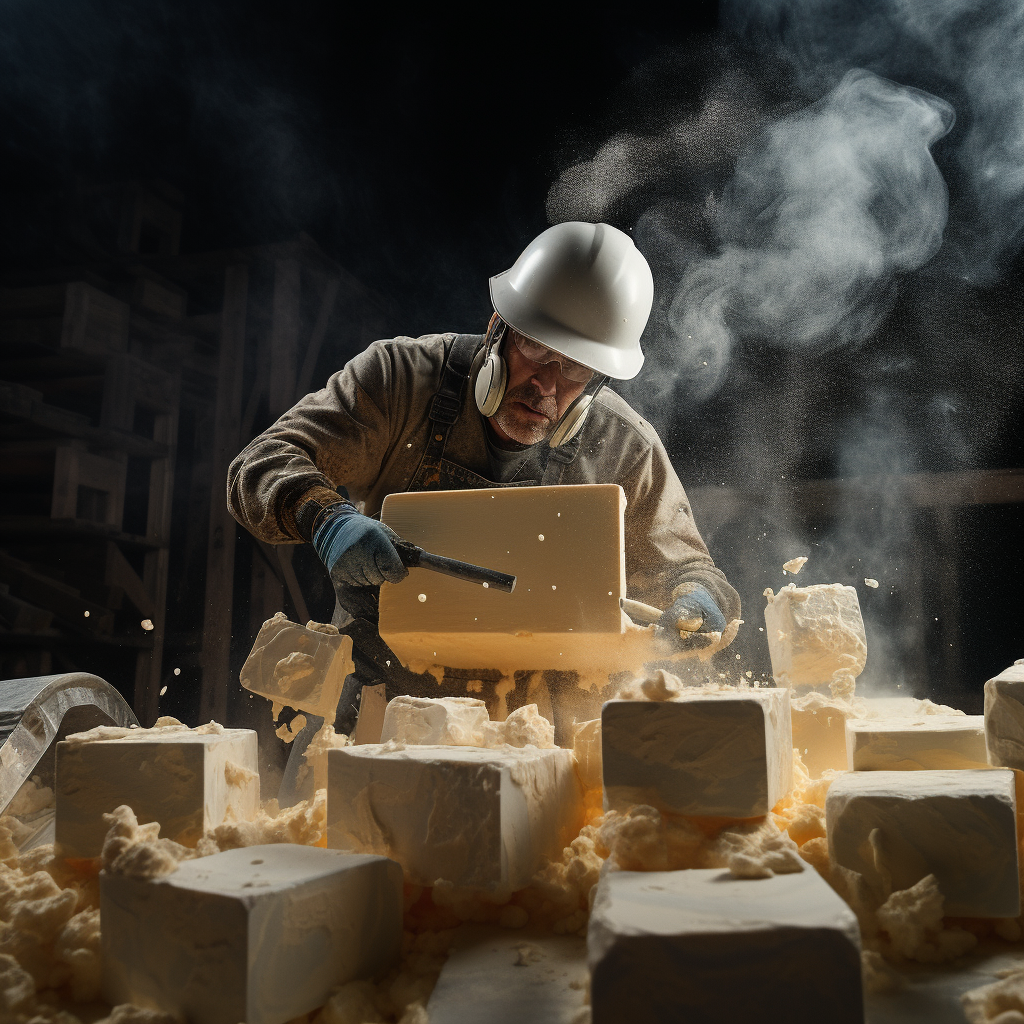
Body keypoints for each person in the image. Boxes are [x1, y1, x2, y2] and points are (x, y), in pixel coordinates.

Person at [228, 222, 740, 759]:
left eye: (574, 372)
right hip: (377, 717)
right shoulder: (402, 381)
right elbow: (260, 463)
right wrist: (324, 518)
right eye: (538, 353)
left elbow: (689, 569)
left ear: (599, 382)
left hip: (540, 741)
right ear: (499, 327)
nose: (547, 386)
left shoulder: (624, 448)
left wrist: (697, 598)